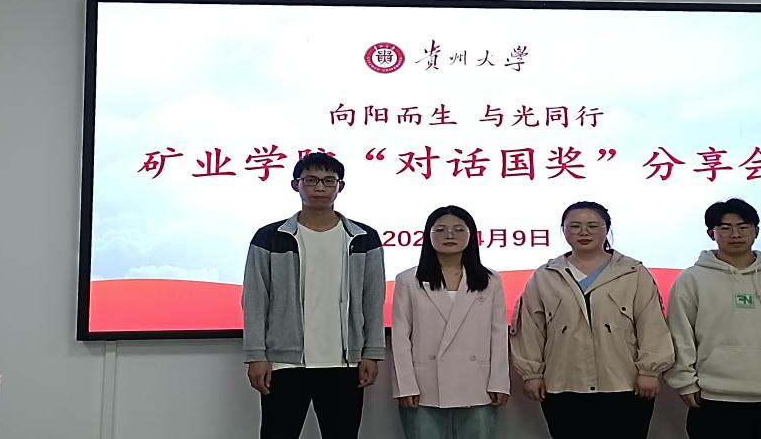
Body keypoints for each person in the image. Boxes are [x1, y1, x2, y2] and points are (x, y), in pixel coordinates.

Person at [241, 152, 385, 439]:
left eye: (329, 181)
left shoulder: (363, 238)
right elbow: (255, 299)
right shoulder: (270, 237)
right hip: (285, 362)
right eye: (311, 180)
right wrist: (256, 355)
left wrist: (371, 353)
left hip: (344, 363)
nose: (320, 187)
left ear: (340, 186)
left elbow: (373, 299)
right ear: (296, 185)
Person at [510, 201, 674, 439]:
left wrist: (649, 370)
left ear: (607, 229)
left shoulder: (633, 272)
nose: (584, 232)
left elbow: (652, 324)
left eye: (593, 226)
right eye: (575, 226)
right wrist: (531, 374)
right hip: (564, 384)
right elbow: (531, 329)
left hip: (625, 383)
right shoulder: (545, 276)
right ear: (564, 230)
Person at [665, 198, 761, 439]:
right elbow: (679, 333)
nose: (735, 234)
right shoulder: (691, 279)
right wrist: (685, 382)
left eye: (743, 227)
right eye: (725, 228)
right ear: (711, 233)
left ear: (756, 231)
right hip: (714, 397)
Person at [391, 205, 510, 439]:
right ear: (428, 235)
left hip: (477, 382)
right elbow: (400, 338)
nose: (449, 235)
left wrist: (499, 382)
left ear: (471, 235)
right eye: (440, 230)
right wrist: (405, 385)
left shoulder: (490, 280)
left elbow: (498, 335)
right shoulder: (408, 280)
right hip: (424, 385)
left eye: (458, 229)